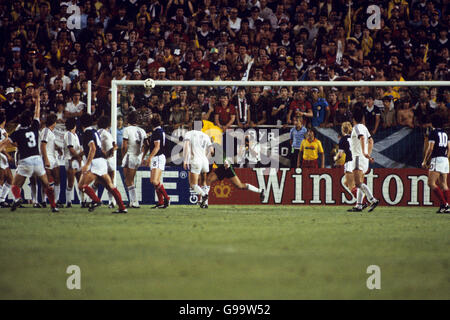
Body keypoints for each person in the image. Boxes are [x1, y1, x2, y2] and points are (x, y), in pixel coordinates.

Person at [0, 89, 58, 212]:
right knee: (47, 185)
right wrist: (37, 100)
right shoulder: (35, 127)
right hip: (37, 160)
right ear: (30, 120)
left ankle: (17, 199)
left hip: (25, 161)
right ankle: (54, 206)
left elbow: (4, 143)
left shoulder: (17, 132)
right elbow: (37, 112)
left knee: (15, 185)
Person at [77, 113, 127, 213]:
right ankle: (122, 207)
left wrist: (87, 164)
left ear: (81, 123)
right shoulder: (94, 131)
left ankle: (96, 200)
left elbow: (93, 148)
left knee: (81, 185)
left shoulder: (87, 133)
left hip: (95, 162)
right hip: (102, 161)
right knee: (110, 185)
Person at [347, 108, 379, 212]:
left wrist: (365, 153)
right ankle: (359, 205)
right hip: (363, 159)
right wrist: (367, 154)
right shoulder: (364, 127)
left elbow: (362, 138)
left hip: (358, 158)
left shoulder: (356, 128)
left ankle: (372, 200)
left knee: (358, 184)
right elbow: (371, 141)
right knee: (360, 182)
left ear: (353, 118)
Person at [422, 114, 450, 213]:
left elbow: (430, 148)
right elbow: (449, 148)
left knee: (431, 183)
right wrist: (446, 158)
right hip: (445, 159)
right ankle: (446, 206)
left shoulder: (433, 133)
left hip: (437, 159)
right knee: (444, 184)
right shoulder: (446, 133)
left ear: (433, 123)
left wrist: (425, 160)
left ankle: (445, 204)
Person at [183, 120, 214, 208]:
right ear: (202, 126)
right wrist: (206, 158)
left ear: (192, 125)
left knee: (193, 184)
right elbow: (212, 151)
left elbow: (186, 147)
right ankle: (205, 203)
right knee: (204, 182)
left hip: (195, 160)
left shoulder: (189, 134)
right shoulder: (206, 136)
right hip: (204, 161)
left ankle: (203, 195)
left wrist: (185, 160)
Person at [143, 114, 170, 209]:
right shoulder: (157, 131)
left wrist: (149, 158)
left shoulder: (157, 132)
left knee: (154, 181)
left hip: (158, 157)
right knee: (156, 181)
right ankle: (161, 201)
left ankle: (166, 198)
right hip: (158, 157)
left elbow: (157, 147)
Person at [122, 111, 146, 208]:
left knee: (128, 180)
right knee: (130, 180)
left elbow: (124, 146)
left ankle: (135, 201)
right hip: (138, 157)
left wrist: (124, 156)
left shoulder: (127, 130)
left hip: (130, 155)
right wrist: (142, 156)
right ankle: (132, 201)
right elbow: (146, 146)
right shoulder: (142, 131)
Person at [39, 113, 63, 208]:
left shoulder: (51, 132)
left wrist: (58, 148)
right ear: (53, 123)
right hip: (47, 158)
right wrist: (46, 159)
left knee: (57, 179)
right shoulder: (45, 131)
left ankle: (56, 201)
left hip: (54, 158)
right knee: (47, 181)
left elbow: (50, 144)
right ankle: (44, 200)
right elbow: (43, 145)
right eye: (55, 121)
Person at [97, 116, 118, 208]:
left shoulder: (97, 132)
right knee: (110, 181)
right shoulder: (107, 133)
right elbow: (112, 149)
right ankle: (111, 202)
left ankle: (90, 200)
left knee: (98, 181)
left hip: (100, 160)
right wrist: (113, 149)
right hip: (108, 160)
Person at [63, 117, 84, 208]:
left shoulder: (75, 135)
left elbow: (77, 148)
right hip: (70, 160)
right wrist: (79, 157)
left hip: (76, 160)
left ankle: (82, 201)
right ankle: (68, 202)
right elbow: (71, 149)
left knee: (81, 182)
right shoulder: (68, 134)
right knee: (71, 182)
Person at [0, 113, 13, 207]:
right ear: (4, 121)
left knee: (10, 179)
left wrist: (7, 155)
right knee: (1, 178)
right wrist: (7, 139)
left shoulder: (3, 130)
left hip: (3, 155)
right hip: (0, 155)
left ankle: (2, 199)